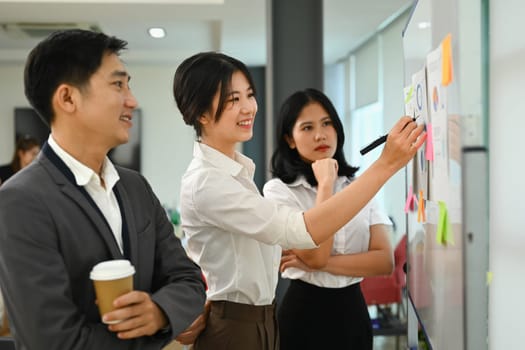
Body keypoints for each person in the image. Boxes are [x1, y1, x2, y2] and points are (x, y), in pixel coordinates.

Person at [172, 51, 425, 350]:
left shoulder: (235, 174)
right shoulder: (208, 182)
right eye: (232, 99)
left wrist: (315, 262)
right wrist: (386, 164)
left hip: (264, 318)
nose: (248, 107)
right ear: (201, 113)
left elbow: (375, 261)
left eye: (249, 95)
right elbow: (301, 232)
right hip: (247, 322)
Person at [0, 29, 206, 350]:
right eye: (117, 84)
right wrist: (149, 335)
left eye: (129, 84)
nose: (132, 100)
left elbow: (189, 279)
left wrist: (160, 312)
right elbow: (52, 340)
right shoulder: (20, 200)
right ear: (68, 98)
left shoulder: (134, 186)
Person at [263, 88, 395, 350]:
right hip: (303, 314)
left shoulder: (358, 187)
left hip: (353, 313)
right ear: (290, 139)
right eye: (307, 127)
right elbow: (317, 255)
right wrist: (325, 184)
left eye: (326, 123)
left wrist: (315, 263)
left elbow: (384, 261)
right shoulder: (277, 191)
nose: (320, 134)